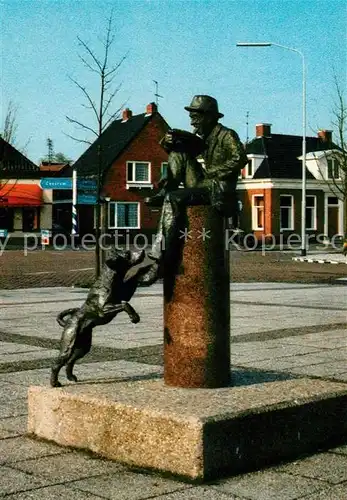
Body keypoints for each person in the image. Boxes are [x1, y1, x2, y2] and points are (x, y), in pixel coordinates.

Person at [140, 95, 248, 285]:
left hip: (218, 189)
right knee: (178, 151)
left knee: (173, 199)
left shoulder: (226, 135)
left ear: (209, 117)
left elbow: (240, 159)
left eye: (196, 116)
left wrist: (213, 173)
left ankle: (161, 261)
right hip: (204, 183)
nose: (192, 121)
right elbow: (179, 152)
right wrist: (167, 141)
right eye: (191, 116)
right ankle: (167, 190)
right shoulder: (203, 138)